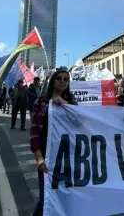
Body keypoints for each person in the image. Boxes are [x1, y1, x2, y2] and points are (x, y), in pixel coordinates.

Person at [30, 70, 78, 216]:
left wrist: (64, 104)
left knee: (65, 197)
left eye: (66, 79)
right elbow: (34, 133)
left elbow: (79, 122)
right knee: (46, 199)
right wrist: (39, 158)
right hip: (48, 156)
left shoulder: (72, 102)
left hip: (67, 157)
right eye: (59, 78)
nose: (62, 81)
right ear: (53, 81)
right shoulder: (41, 102)